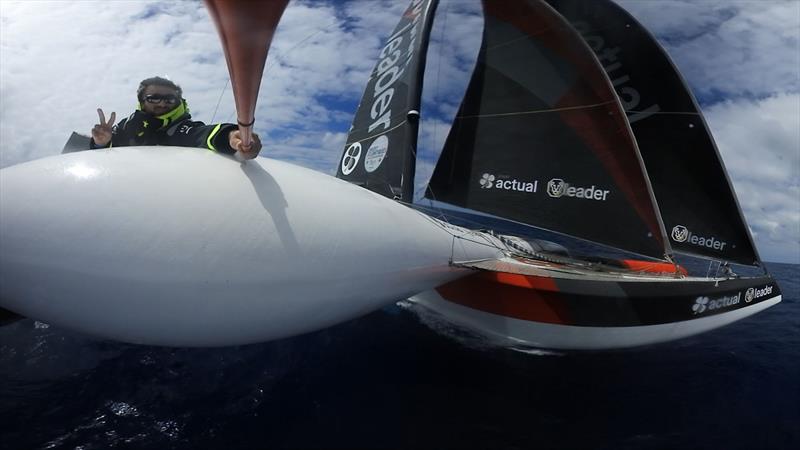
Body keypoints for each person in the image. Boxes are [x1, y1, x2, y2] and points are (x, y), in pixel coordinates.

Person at [90, 76, 262, 159]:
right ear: (142, 102)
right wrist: (101, 142)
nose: (162, 103)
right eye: (154, 98)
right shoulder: (128, 126)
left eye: (170, 99)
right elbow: (107, 154)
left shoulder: (180, 129)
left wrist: (231, 135)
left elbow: (203, 134)